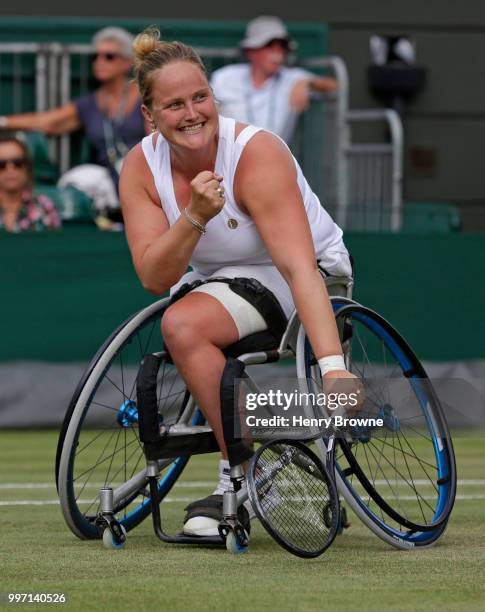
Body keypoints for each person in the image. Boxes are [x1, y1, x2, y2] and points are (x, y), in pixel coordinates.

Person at [120, 27, 356, 537]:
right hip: (221, 280)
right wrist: (194, 217)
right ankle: (253, 463)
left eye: (200, 97)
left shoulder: (255, 153)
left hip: (311, 273)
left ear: (214, 96)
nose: (193, 113)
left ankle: (242, 476)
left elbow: (299, 268)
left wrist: (335, 370)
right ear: (150, 116)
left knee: (183, 326)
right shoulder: (140, 166)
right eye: (175, 104)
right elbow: (153, 275)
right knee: (181, 319)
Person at [0, 27, 149, 220]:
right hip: (108, 187)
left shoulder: (145, 95)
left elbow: (157, 140)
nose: (99, 62)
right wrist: (3, 121)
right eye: (96, 56)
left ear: (127, 62)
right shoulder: (89, 104)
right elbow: (47, 122)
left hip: (143, 177)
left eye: (109, 56)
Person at [210, 15, 338, 143]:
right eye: (269, 46)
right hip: (229, 156)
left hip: (274, 157)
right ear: (251, 51)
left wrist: (309, 82)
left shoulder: (293, 78)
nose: (278, 54)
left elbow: (335, 86)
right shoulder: (224, 77)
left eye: (282, 47)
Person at [0, 134, 61, 232]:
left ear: (27, 167)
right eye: (2, 164)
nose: (10, 169)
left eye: (17, 163)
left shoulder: (43, 205)